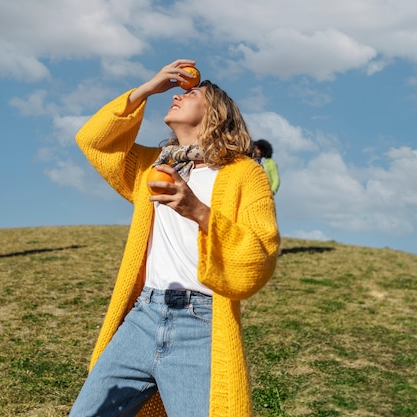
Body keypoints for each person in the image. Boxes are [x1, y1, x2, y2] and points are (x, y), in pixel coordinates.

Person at [70, 59, 280, 417]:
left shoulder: (245, 175)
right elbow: (92, 141)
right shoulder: (155, 164)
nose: (180, 96)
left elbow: (259, 259)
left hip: (201, 325)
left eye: (194, 93)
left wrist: (197, 210)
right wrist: (147, 89)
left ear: (216, 113)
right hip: (141, 317)